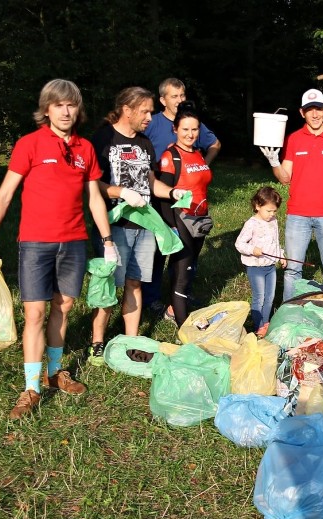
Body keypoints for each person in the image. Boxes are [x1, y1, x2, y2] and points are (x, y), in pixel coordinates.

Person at [0, 79, 115, 419]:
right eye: (59, 105)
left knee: (65, 306)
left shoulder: (85, 148)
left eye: (71, 105)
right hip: (36, 243)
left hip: (73, 242)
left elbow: (95, 197)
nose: (66, 111)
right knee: (35, 313)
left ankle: (55, 374)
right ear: (46, 109)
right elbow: (5, 194)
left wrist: (108, 240)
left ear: (78, 109)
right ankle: (31, 388)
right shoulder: (30, 144)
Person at [87, 87, 178, 365]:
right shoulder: (103, 139)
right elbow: (92, 185)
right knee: (107, 285)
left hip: (145, 224)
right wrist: (121, 192)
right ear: (127, 109)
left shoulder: (144, 143)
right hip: (114, 225)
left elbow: (150, 181)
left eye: (151, 111)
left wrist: (173, 193)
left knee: (134, 282)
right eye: (145, 111)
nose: (150, 117)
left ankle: (131, 340)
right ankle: (97, 343)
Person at [259, 89, 323, 301]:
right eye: (309, 110)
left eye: (319, 109)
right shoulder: (294, 139)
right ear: (302, 113)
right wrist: (274, 162)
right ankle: (289, 314)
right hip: (298, 215)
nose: (315, 114)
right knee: (293, 270)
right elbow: (285, 178)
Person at [142, 77, 221, 314]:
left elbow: (214, 144)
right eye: (174, 96)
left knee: (186, 256)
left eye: (182, 95)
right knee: (159, 250)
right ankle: (153, 297)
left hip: (190, 202)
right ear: (163, 100)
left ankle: (179, 295)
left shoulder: (192, 124)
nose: (179, 100)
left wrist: (202, 165)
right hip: (160, 194)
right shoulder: (152, 123)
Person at [156, 103, 214, 327]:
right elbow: (164, 195)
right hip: (181, 220)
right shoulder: (171, 156)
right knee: (182, 273)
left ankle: (173, 310)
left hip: (200, 220)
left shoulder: (198, 153)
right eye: (185, 130)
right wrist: (172, 228)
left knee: (190, 269)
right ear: (175, 130)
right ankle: (183, 329)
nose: (190, 134)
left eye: (194, 129)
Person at [234, 186, 287, 337]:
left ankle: (266, 323)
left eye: (274, 211)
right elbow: (239, 244)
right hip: (255, 266)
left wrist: (281, 255)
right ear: (257, 206)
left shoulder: (273, 221)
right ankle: (258, 326)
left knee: (270, 296)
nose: (271, 214)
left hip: (270, 266)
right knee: (260, 296)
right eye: (268, 211)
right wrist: (252, 250)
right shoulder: (251, 223)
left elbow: (275, 242)